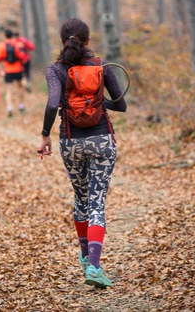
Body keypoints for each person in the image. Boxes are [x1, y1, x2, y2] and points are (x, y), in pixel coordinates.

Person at [38, 18, 127, 288]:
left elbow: (53, 103)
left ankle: (85, 257)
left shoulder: (55, 70)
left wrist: (45, 135)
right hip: (102, 141)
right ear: (88, 41)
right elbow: (121, 105)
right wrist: (98, 103)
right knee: (97, 203)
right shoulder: (102, 66)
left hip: (71, 143)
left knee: (81, 198)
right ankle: (95, 268)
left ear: (62, 41)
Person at [0, 29, 26, 117]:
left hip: (8, 70)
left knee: (8, 90)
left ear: (5, 36)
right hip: (18, 69)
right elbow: (23, 57)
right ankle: (21, 105)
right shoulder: (18, 44)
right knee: (20, 87)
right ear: (12, 35)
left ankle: (9, 107)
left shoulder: (1, 45)